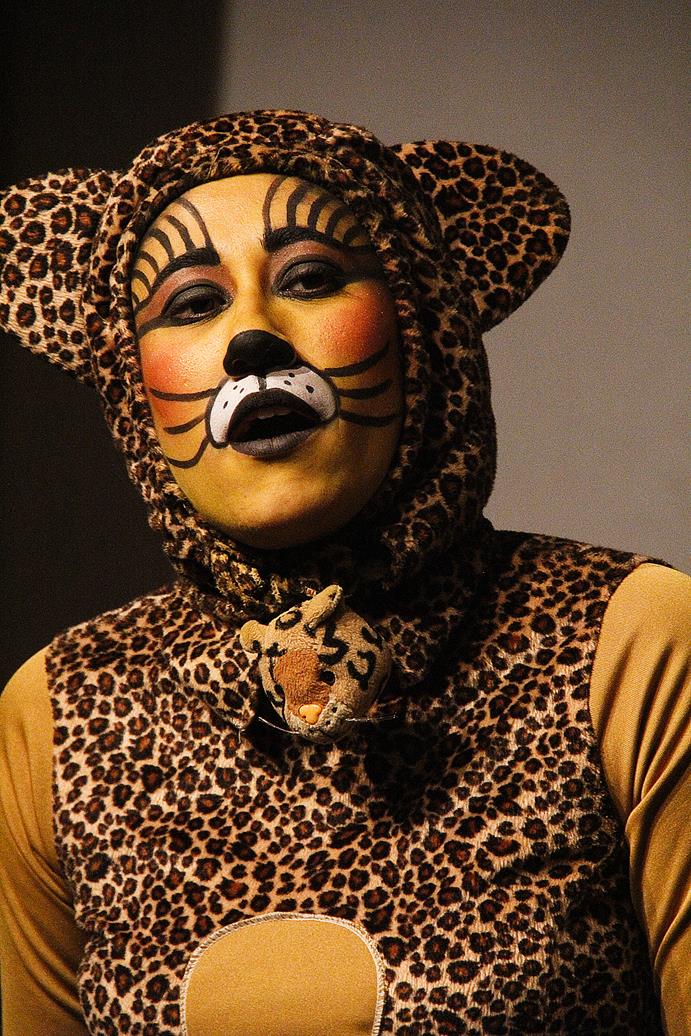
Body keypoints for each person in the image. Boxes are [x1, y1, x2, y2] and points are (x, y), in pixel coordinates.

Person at [0, 110, 687, 1036]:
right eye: (191, 304)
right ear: (130, 386)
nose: (252, 340)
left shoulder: (627, 640)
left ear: (424, 327)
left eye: (312, 279)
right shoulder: (63, 707)